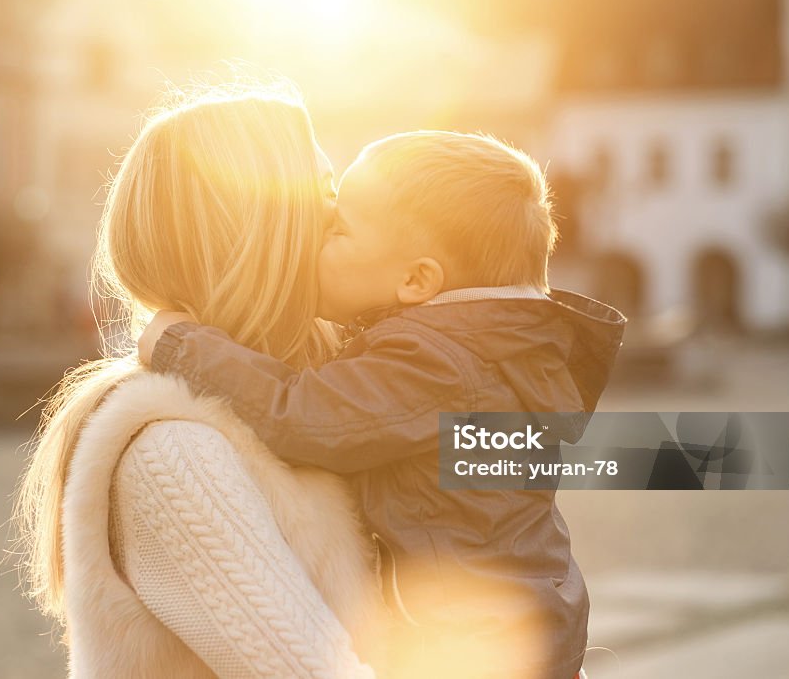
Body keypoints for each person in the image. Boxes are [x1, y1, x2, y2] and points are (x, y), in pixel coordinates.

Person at [140, 131, 627, 678]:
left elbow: (302, 416)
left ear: (417, 279)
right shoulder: (492, 352)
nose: (317, 234)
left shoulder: (435, 362)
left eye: (339, 228)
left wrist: (180, 344)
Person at [11, 82, 382, 679]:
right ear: (260, 232)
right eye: (325, 195)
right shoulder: (173, 455)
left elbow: (541, 452)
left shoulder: (313, 404)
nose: (347, 219)